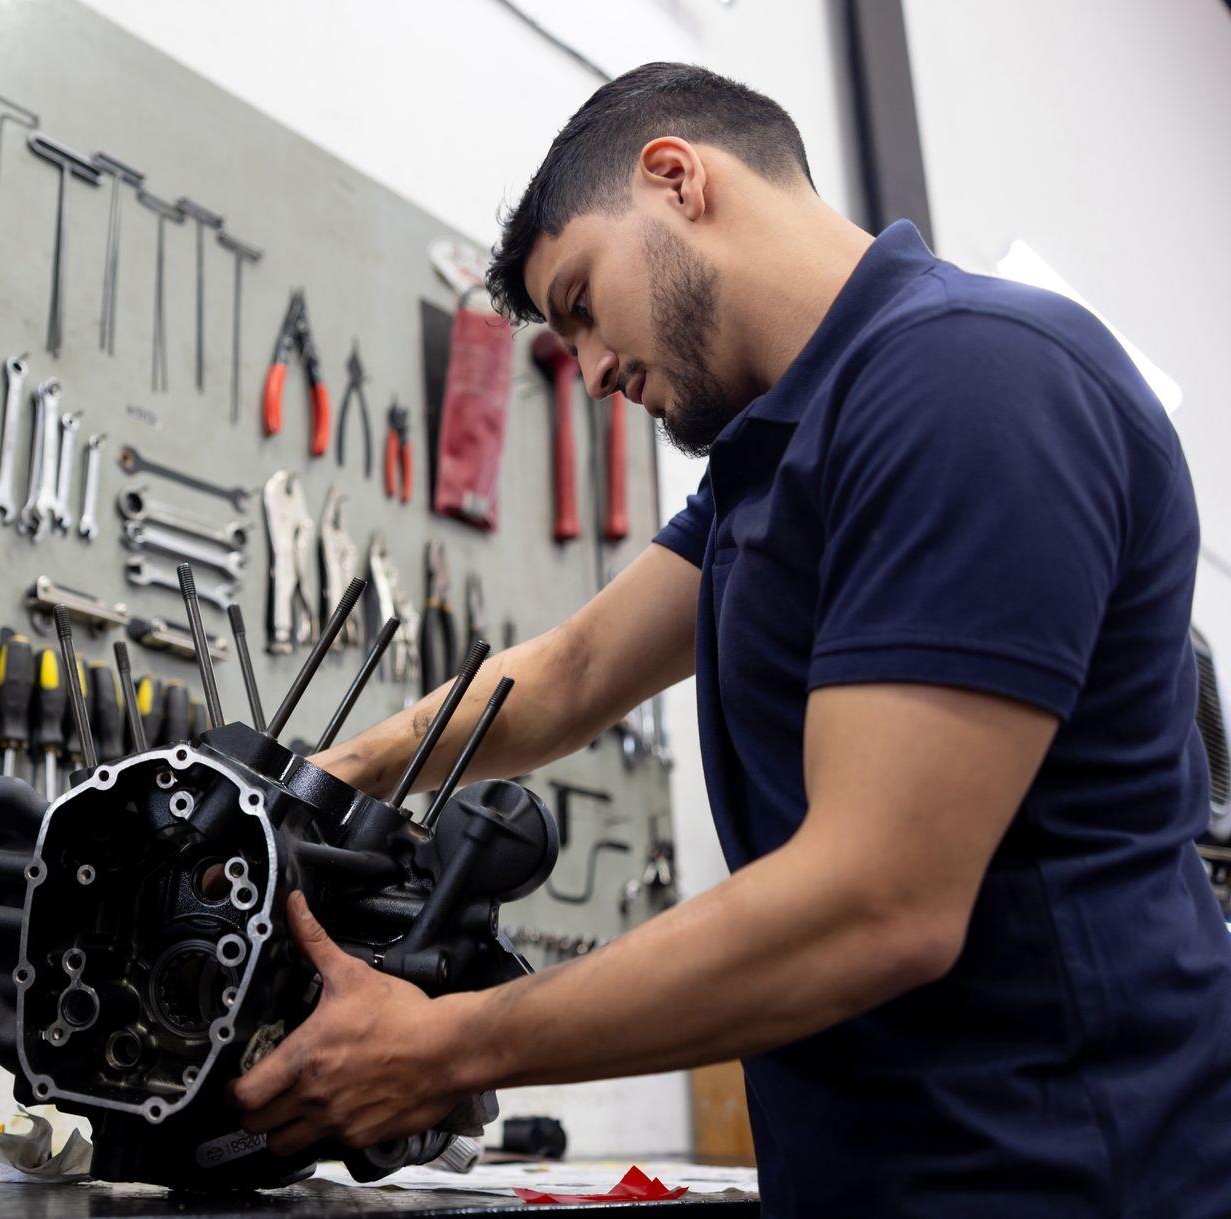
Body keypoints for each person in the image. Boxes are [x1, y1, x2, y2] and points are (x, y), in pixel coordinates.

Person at [230, 62, 1230, 1218]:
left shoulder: (968, 377)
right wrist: (312, 781)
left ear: (675, 179)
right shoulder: (780, 449)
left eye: (581, 304)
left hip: (1071, 1180)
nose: (594, 372)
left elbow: (876, 901)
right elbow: (571, 674)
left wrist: (447, 1045)